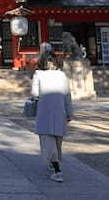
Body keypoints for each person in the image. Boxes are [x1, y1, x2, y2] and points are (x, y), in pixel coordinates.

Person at [31, 51, 73, 183]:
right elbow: (67, 96)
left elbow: (34, 93)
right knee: (57, 141)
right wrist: (70, 113)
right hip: (60, 111)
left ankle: (57, 170)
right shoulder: (62, 75)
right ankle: (55, 163)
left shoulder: (39, 74)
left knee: (48, 141)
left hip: (45, 111)